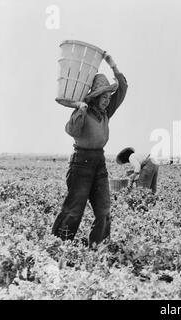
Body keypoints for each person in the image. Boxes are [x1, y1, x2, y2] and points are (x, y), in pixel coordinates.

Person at [52, 53, 128, 247]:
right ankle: (59, 245)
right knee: (74, 209)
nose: (107, 100)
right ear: (95, 98)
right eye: (103, 96)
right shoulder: (83, 111)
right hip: (81, 163)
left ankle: (98, 248)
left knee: (104, 209)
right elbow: (72, 130)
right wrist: (80, 109)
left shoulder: (106, 113)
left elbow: (123, 89)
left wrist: (113, 65)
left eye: (108, 96)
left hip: (99, 162)